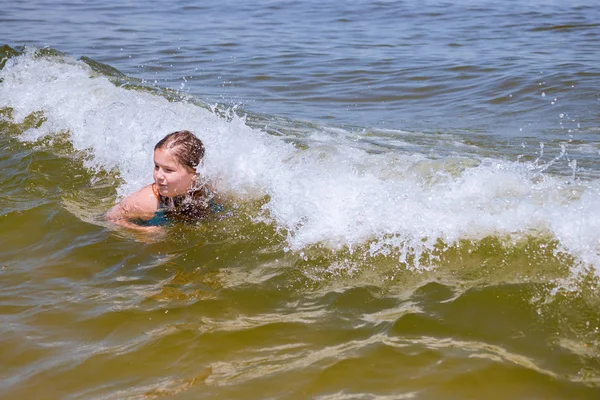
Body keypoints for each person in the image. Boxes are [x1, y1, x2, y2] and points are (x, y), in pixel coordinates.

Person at [106, 130, 222, 230]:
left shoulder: (206, 186)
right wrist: (142, 231)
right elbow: (111, 217)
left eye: (168, 170)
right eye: (157, 166)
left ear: (195, 172)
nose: (158, 176)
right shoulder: (147, 200)